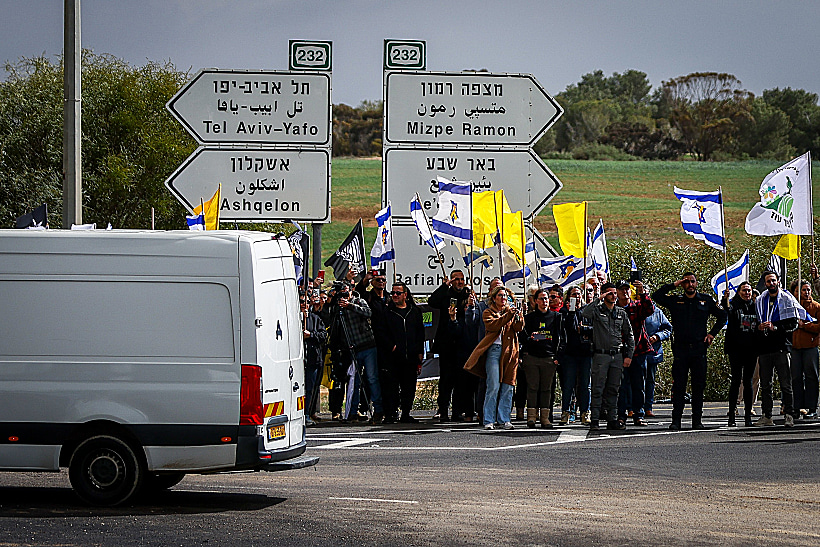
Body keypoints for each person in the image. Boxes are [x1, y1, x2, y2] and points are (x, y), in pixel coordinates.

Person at [652, 272, 726, 430]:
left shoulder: (705, 300)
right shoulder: (676, 300)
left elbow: (722, 316)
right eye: (686, 282)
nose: (690, 285)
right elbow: (656, 295)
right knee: (679, 386)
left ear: (696, 283)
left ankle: (697, 421)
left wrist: (712, 333)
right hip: (681, 350)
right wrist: (675, 284)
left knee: (698, 386)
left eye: (692, 281)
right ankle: (676, 420)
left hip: (699, 349)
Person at [464, 285, 525, 430]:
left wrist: (519, 316)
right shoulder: (488, 312)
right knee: (493, 385)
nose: (504, 299)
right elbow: (494, 326)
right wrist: (508, 315)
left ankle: (504, 419)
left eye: (506, 296)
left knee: (508, 386)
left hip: (510, 352)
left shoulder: (510, 312)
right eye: (501, 296)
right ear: (494, 298)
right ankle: (488, 419)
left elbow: (518, 328)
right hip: (494, 351)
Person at [581, 282, 635, 431]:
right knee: (598, 388)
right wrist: (599, 298)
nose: (613, 296)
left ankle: (612, 419)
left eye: (614, 293)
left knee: (613, 389)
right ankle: (595, 420)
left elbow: (629, 335)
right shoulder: (597, 310)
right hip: (601, 355)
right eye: (610, 293)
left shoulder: (621, 312)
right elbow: (585, 313)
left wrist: (629, 355)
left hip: (617, 355)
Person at [754, 271, 800, 428]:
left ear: (778, 282)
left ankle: (789, 414)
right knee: (766, 384)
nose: (771, 283)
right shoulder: (760, 301)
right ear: (765, 283)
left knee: (785, 384)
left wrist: (776, 327)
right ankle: (767, 416)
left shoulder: (787, 299)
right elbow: (753, 323)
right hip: (764, 349)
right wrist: (759, 327)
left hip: (781, 348)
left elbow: (793, 324)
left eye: (773, 280)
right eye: (768, 281)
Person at [429, 269, 472, 422]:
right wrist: (444, 286)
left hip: (462, 344)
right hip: (446, 344)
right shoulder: (445, 294)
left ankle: (457, 411)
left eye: (462, 279)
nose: (460, 282)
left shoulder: (467, 295)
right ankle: (443, 410)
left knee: (461, 380)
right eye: (456, 279)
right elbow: (432, 301)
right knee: (446, 380)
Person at [380, 282, 425, 424]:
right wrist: (392, 347)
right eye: (393, 293)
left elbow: (420, 333)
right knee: (391, 387)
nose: (394, 295)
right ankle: (390, 414)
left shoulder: (414, 311)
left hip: (411, 356)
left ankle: (406, 413)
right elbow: (381, 333)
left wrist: (419, 352)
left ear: (405, 295)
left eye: (398, 293)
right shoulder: (387, 312)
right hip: (393, 357)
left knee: (409, 387)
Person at [615, 279, 655, 427]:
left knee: (639, 385)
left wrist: (643, 293)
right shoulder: (614, 308)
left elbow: (649, 309)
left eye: (627, 289)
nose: (625, 292)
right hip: (620, 352)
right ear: (617, 292)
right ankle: (621, 415)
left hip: (638, 351)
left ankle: (639, 415)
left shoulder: (637, 306)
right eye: (621, 289)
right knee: (622, 386)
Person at [721, 281, 759, 427]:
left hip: (751, 349)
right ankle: (732, 414)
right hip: (736, 349)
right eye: (744, 290)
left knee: (748, 382)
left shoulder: (755, 306)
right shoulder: (734, 305)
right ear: (738, 292)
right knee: (736, 380)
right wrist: (725, 300)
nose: (747, 293)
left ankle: (748, 415)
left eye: (749, 290)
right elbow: (727, 311)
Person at [521, 288, 561, 428]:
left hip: (549, 358)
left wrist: (557, 356)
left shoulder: (556, 317)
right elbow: (523, 337)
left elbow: (559, 338)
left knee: (546, 389)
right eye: (541, 299)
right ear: (535, 301)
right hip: (532, 357)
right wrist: (531, 339)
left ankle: (545, 418)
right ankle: (531, 417)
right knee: (532, 387)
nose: (544, 301)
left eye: (546, 298)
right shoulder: (529, 318)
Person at [557, 286, 592, 425]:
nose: (576, 297)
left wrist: (583, 329)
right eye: (573, 294)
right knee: (568, 385)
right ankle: (566, 412)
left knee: (585, 385)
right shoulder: (564, 312)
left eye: (578, 294)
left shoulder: (587, 310)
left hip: (585, 352)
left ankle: (585, 412)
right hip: (569, 354)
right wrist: (571, 312)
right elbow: (568, 327)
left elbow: (594, 328)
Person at [789, 279, 820, 419]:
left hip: (810, 348)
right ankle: (797, 407)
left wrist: (805, 326)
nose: (806, 292)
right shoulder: (792, 307)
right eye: (803, 290)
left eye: (808, 289)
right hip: (795, 348)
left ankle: (812, 407)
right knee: (795, 378)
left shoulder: (816, 307)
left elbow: (819, 327)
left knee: (811, 377)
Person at [301, 293, 328, 426]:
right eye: (301, 302)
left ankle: (307, 413)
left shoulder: (315, 319)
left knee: (310, 388)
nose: (304, 305)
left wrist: (310, 335)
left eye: (306, 302)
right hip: (298, 362)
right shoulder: (292, 318)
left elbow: (323, 335)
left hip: (312, 359)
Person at [643, 304, 672, 418]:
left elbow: (667, 329)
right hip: (636, 351)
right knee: (633, 380)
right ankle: (632, 408)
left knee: (650, 380)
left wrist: (657, 336)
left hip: (652, 352)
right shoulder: (631, 308)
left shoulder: (657, 312)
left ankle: (648, 407)